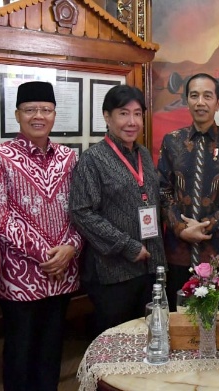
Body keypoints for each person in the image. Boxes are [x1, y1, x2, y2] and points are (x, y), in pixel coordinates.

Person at [0, 81, 82, 391]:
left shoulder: (69, 158)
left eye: (46, 109)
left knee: (51, 351)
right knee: (19, 354)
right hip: (19, 280)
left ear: (54, 114)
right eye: (30, 109)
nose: (39, 116)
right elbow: (0, 218)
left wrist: (70, 249)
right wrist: (46, 254)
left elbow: (83, 210)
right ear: (17, 114)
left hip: (62, 273)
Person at [70, 85, 166, 335]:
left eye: (137, 114)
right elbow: (82, 212)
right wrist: (128, 246)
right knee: (117, 343)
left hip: (150, 266)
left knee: (149, 337)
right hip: (114, 272)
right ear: (107, 116)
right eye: (123, 113)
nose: (132, 122)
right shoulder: (93, 159)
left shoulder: (143, 154)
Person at [157, 73, 219, 310]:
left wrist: (207, 224)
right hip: (178, 250)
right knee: (179, 319)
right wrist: (181, 228)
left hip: (218, 250)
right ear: (186, 100)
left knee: (214, 320)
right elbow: (162, 191)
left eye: (207, 96)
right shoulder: (172, 141)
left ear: (218, 101)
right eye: (194, 95)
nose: (201, 102)